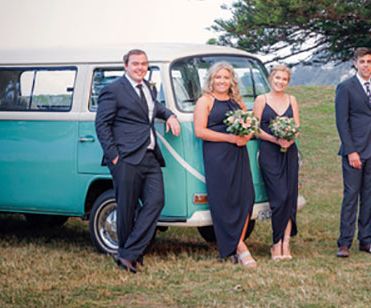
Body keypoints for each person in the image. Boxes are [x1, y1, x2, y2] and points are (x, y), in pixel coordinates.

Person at [95, 49, 181, 273]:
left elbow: (153, 108)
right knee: (127, 208)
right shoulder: (113, 90)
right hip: (125, 158)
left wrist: (169, 115)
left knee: (155, 202)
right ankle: (130, 255)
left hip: (150, 156)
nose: (140, 68)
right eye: (135, 64)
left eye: (144, 64)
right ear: (125, 65)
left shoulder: (149, 88)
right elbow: (102, 125)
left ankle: (127, 254)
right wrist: (114, 156)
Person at [193, 62, 257, 267]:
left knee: (246, 198)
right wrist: (229, 138)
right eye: (218, 77)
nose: (222, 81)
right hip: (217, 155)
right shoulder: (205, 101)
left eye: (225, 77)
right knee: (224, 201)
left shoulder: (237, 101)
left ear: (232, 80)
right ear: (211, 79)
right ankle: (240, 247)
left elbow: (249, 125)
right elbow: (200, 131)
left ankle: (236, 245)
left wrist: (245, 137)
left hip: (239, 153)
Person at [334, 47, 371, 257]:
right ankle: (344, 241)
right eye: (361, 61)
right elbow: (342, 122)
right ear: (355, 64)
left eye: (369, 61)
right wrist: (350, 150)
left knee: (369, 196)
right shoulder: (346, 87)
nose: (365, 65)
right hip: (354, 150)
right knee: (351, 195)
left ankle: (366, 238)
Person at [253, 65, 300, 261]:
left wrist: (290, 138)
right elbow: (254, 128)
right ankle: (275, 243)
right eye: (277, 78)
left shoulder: (292, 100)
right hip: (269, 152)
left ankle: (286, 244)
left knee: (289, 198)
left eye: (284, 79)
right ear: (271, 78)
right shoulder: (261, 100)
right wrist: (275, 139)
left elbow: (297, 126)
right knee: (279, 197)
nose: (280, 82)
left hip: (289, 152)